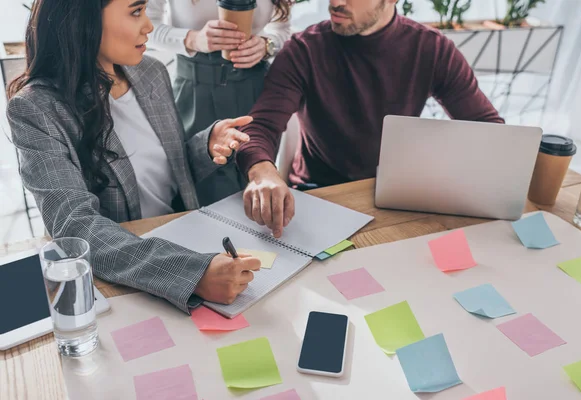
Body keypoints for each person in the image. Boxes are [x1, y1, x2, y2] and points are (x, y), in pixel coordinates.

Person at [6, 0, 260, 314]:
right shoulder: (37, 109)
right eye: (136, 11)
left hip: (187, 239)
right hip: (125, 279)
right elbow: (75, 227)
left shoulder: (151, 72)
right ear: (83, 20)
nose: (149, 26)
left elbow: (168, 173)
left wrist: (205, 144)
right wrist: (191, 274)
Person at [236, 0, 505, 238]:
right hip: (316, 195)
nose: (335, 2)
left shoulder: (431, 48)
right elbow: (261, 126)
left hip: (394, 196)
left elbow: (487, 129)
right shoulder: (304, 49)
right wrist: (262, 172)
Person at [146, 0, 294, 204]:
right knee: (196, 192)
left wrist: (266, 45)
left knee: (254, 182)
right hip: (194, 91)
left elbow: (282, 30)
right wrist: (192, 39)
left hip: (255, 90)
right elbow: (144, 25)